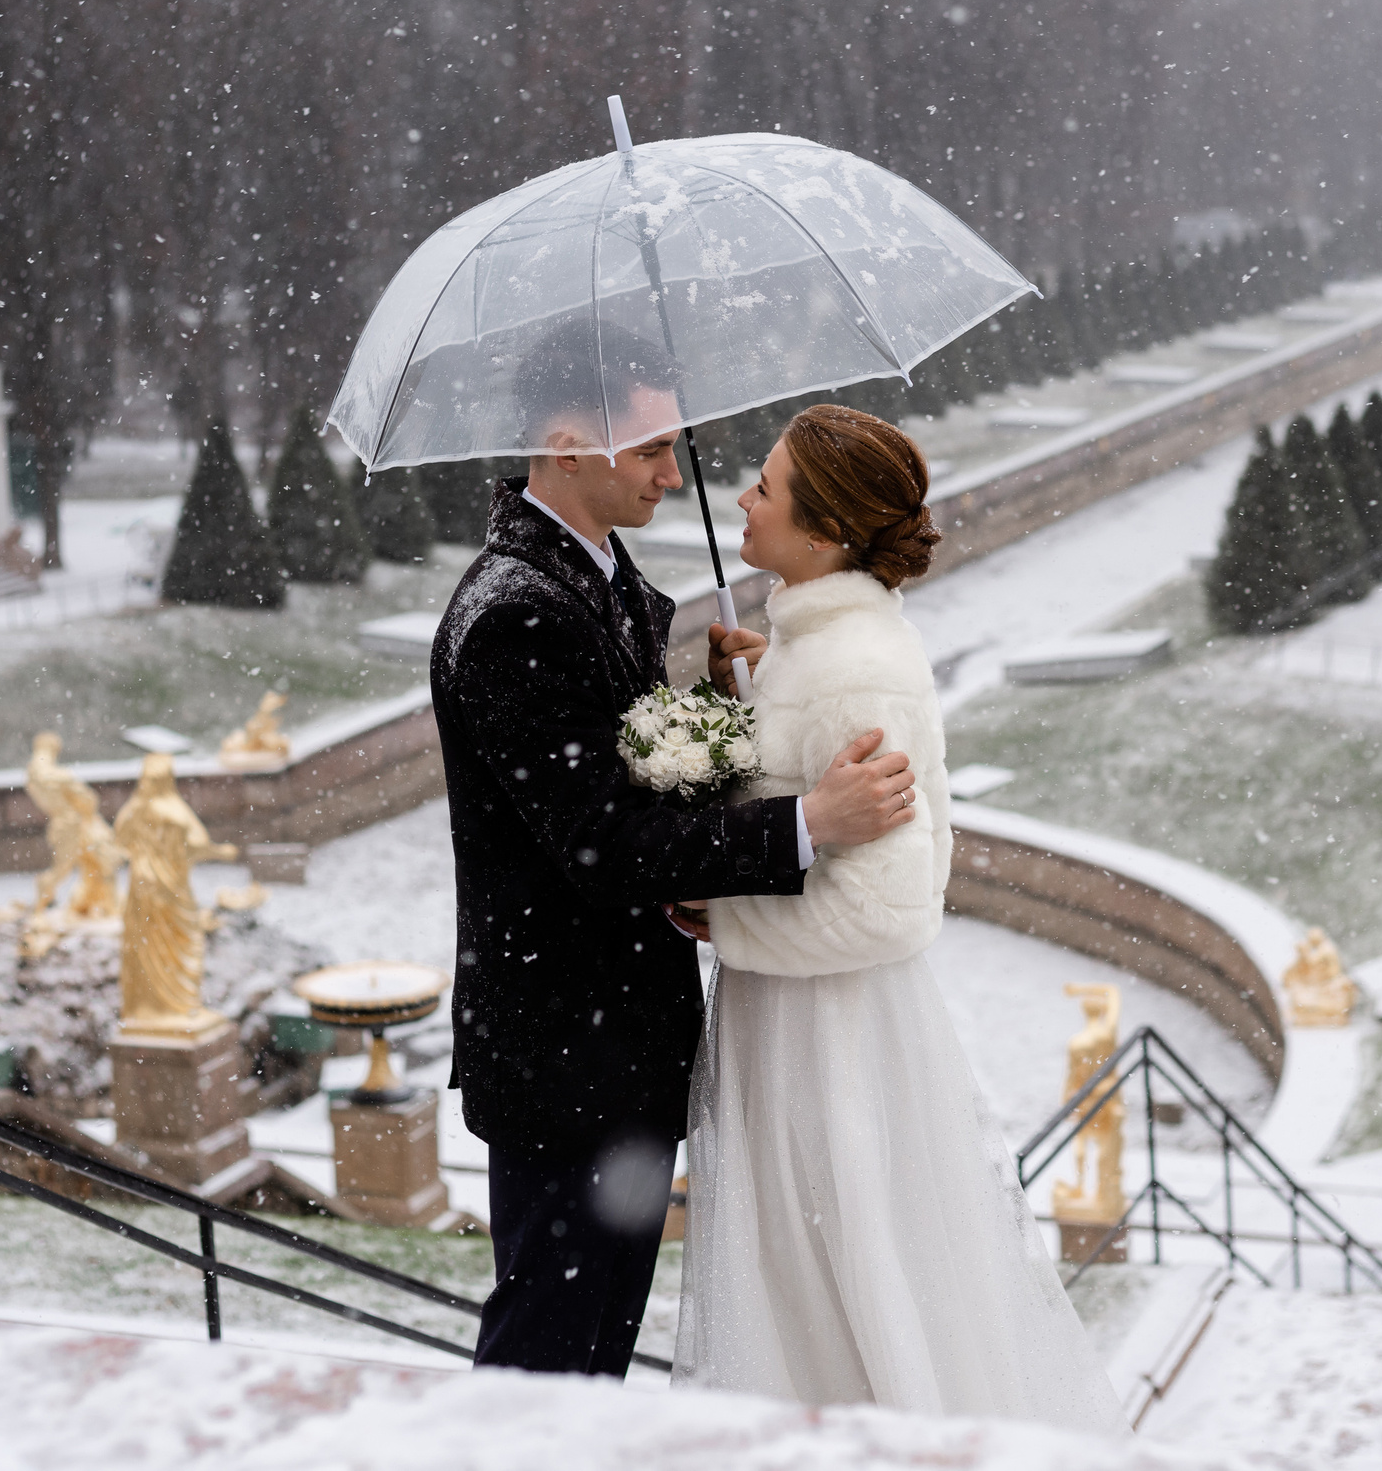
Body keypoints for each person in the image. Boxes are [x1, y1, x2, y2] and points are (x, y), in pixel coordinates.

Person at [431, 334, 920, 1380]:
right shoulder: (515, 612)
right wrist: (808, 823)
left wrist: (720, 708)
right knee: (548, 1365)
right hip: (564, 1056)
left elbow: (629, 774)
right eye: (652, 448)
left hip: (620, 1048)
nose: (673, 472)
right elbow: (603, 842)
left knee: (597, 1350)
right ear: (564, 445)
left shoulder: (598, 582)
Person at [673, 403, 1121, 1432]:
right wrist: (749, 685)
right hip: (795, 1021)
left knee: (848, 1293)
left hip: (829, 1039)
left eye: (768, 487)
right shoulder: (821, 649)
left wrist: (728, 922)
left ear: (825, 530)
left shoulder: (855, 667)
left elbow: (887, 910)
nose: (742, 496)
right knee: (822, 1289)